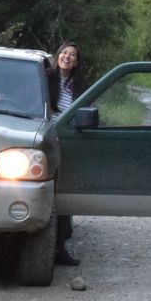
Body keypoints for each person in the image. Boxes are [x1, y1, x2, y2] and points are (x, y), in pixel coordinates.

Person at [47, 40, 86, 266]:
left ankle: (60, 246)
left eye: (72, 54)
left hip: (68, 137)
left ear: (76, 62)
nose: (67, 57)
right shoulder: (45, 76)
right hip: (45, 135)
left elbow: (83, 109)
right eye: (64, 52)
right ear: (58, 55)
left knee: (64, 193)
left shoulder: (79, 84)